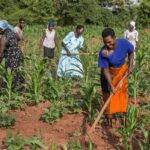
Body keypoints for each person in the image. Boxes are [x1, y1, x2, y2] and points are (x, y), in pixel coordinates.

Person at [98, 28, 134, 128]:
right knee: (107, 95)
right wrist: (110, 85)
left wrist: (130, 66)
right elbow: (105, 70)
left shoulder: (124, 43)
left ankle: (123, 115)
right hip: (108, 74)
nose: (108, 45)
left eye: (109, 42)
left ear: (115, 38)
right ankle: (109, 118)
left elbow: (131, 52)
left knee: (122, 93)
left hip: (121, 72)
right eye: (105, 43)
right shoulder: (103, 52)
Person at [0, 20, 24, 88]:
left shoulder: (3, 38)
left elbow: (1, 54)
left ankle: (9, 90)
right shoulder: (13, 32)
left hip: (11, 58)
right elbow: (19, 38)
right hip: (18, 55)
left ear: (2, 29)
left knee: (9, 74)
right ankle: (19, 89)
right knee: (18, 72)